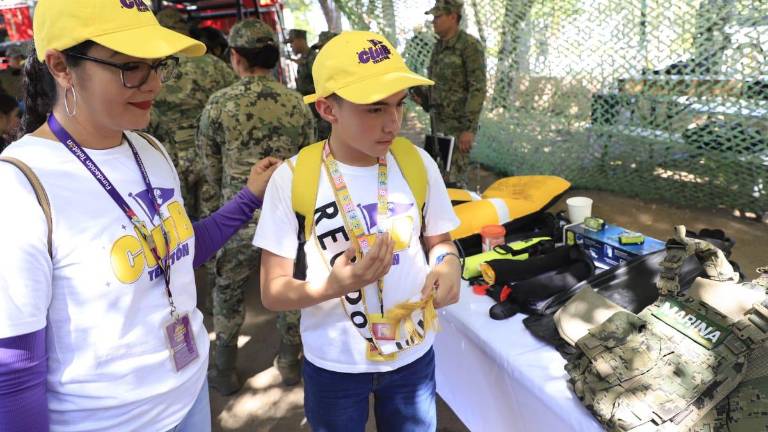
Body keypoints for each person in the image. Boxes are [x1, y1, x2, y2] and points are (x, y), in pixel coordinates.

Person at [0, 1, 280, 431]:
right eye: (130, 66)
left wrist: (248, 198)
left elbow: (177, 252)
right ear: (60, 67)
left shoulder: (147, 148)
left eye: (157, 64)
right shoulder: (19, 186)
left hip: (189, 398)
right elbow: (15, 372)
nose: (154, 83)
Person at [254, 30, 462, 431]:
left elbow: (440, 241)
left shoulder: (417, 164)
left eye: (399, 104)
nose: (393, 123)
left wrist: (448, 264)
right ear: (328, 109)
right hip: (335, 364)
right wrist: (334, 286)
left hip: (412, 355)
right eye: (375, 108)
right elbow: (272, 291)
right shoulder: (293, 178)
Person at [197, 18, 315, 394]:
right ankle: (290, 361)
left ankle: (223, 370)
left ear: (236, 57)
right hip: (287, 220)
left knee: (228, 292)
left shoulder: (219, 104)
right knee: (290, 287)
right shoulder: (297, 104)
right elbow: (308, 162)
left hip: (237, 217)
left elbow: (209, 168)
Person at [414, 0, 486, 188]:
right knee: (435, 180)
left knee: (454, 183)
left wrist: (469, 129)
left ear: (453, 17)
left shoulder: (469, 46)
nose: (434, 21)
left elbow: (477, 88)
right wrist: (423, 98)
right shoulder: (438, 47)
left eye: (438, 17)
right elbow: (440, 87)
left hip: (458, 129)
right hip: (438, 126)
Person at [304, 31, 338, 140]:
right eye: (319, 49)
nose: (320, 52)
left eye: (323, 47)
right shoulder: (322, 63)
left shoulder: (339, 65)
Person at [286, 29, 313, 95]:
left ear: (301, 40)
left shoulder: (313, 58)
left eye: (292, 42)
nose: (291, 46)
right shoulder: (303, 58)